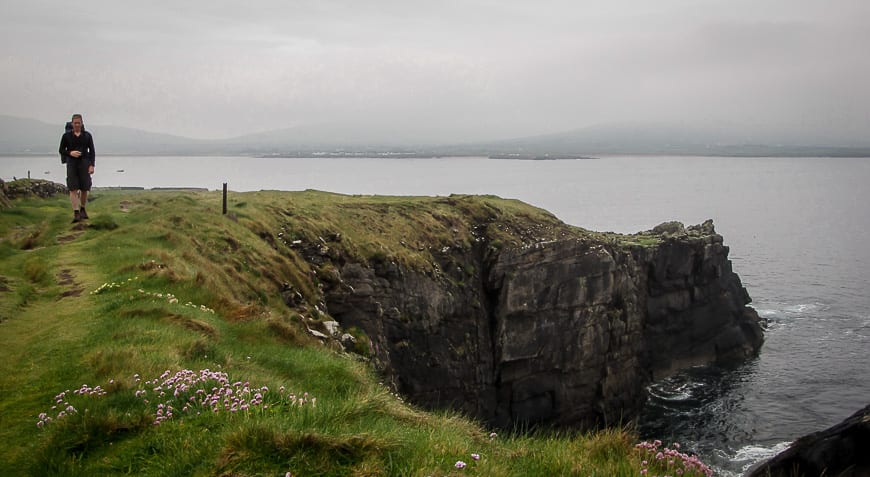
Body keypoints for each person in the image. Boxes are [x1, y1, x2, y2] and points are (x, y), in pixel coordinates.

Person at [58, 114, 95, 223]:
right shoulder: (66, 136)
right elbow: (61, 150)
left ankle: (82, 208)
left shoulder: (87, 136)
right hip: (71, 164)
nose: (77, 125)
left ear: (82, 123)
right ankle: (76, 213)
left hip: (84, 163)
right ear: (72, 123)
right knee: (73, 188)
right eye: (75, 123)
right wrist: (70, 152)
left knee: (85, 188)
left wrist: (92, 165)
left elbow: (92, 151)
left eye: (79, 123)